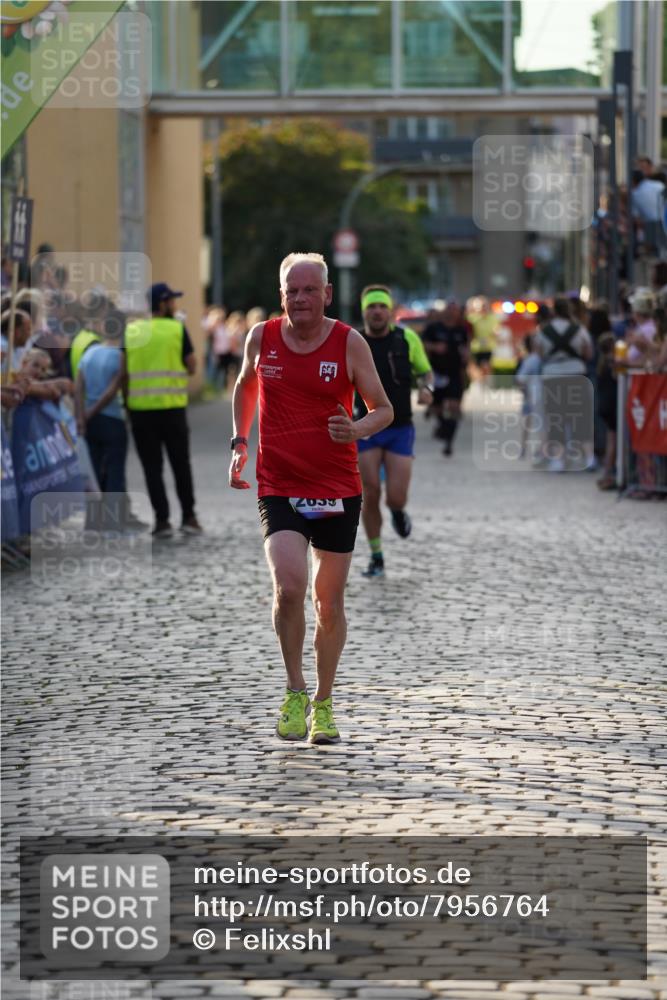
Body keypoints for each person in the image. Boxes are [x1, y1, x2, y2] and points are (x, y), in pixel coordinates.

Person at [229, 252, 393, 745]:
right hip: (279, 482)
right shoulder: (262, 337)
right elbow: (244, 385)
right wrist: (240, 441)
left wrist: (357, 428)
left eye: (309, 290)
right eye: (291, 291)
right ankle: (294, 691)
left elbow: (382, 409)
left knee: (329, 603)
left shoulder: (349, 342)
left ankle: (324, 701)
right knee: (289, 586)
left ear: (327, 294)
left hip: (337, 487)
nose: (300, 299)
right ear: (281, 296)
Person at [354, 285, 433, 579]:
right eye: (371, 307)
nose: (376, 312)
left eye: (381, 307)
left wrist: (427, 388)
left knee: (395, 497)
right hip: (365, 427)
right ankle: (377, 557)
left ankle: (398, 512)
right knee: (370, 491)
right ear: (364, 311)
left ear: (390, 311)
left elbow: (425, 372)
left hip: (400, 427)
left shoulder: (406, 338)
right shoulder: (354, 341)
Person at [122, 282, 202, 539]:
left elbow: (123, 373)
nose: (175, 305)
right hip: (172, 409)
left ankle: (162, 521)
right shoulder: (177, 328)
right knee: (180, 464)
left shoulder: (132, 330)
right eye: (172, 301)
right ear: (163, 303)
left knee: (151, 468)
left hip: (140, 412)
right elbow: (191, 366)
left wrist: (127, 402)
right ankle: (189, 517)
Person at [75, 309, 128, 530]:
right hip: (112, 419)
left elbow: (78, 388)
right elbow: (114, 390)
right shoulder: (120, 355)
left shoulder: (89, 353)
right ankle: (114, 521)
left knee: (93, 471)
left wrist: (81, 416)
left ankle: (93, 521)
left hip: (90, 422)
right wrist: (94, 411)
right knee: (115, 469)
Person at [535, 298, 594, 472]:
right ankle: (588, 457)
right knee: (580, 417)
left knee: (556, 418)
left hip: (552, 377)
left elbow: (539, 355)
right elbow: (588, 353)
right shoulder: (579, 330)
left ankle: (558, 459)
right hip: (577, 375)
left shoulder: (544, 331)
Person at [422, 301, 470, 456]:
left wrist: (466, 355)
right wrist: (435, 347)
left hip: (455, 373)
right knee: (437, 407)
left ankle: (449, 441)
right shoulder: (434, 328)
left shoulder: (461, 330)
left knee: (454, 406)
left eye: (455, 310)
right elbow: (422, 344)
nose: (452, 313)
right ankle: (442, 426)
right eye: (450, 310)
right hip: (436, 372)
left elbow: (466, 346)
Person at [466, 296, 498, 384]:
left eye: (484, 306)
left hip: (488, 347)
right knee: (475, 367)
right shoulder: (472, 318)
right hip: (476, 347)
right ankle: (479, 381)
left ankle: (485, 382)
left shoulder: (492, 318)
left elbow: (496, 330)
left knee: (486, 365)